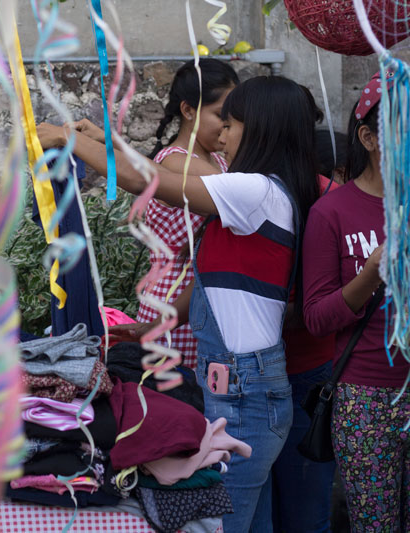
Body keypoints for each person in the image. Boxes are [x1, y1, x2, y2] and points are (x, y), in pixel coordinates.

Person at [41, 75, 319, 532]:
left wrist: (68, 138)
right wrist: (160, 321)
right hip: (238, 382)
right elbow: (214, 278)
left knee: (223, 520)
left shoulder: (255, 191)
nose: (223, 135)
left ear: (262, 129)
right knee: (246, 516)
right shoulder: (253, 191)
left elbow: (144, 180)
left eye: (231, 124)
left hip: (245, 387)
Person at [63, 58, 238, 369]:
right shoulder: (178, 161)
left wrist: (112, 140)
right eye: (220, 117)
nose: (227, 128)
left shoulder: (215, 160)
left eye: (232, 120)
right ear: (188, 111)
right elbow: (145, 173)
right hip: (172, 303)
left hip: (190, 301)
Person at [303, 72, 410, 532]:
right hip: (366, 396)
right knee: (375, 525)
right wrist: (371, 272)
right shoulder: (332, 211)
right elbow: (316, 318)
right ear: (368, 136)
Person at [271, 121, 344, 532]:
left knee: (303, 511)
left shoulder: (328, 200)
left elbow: (332, 299)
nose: (227, 135)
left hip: (307, 372)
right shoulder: (238, 190)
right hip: (254, 378)